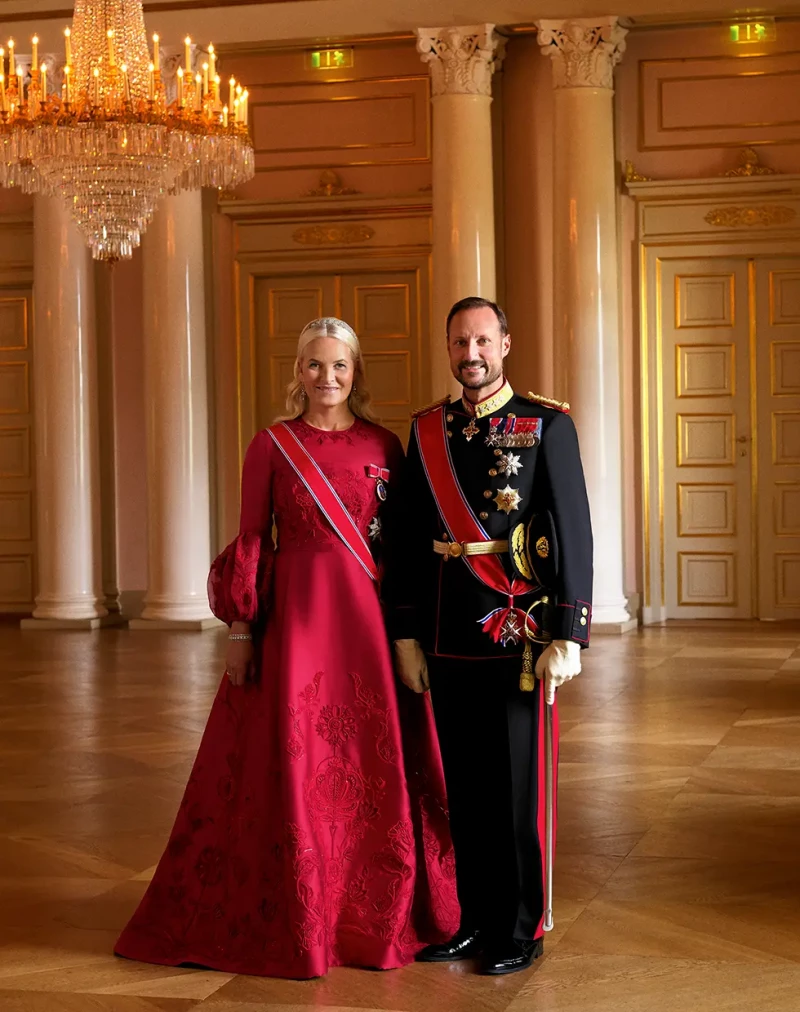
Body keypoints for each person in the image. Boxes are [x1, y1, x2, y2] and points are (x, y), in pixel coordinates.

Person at [115, 317, 459, 980]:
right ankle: (302, 915)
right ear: (297, 371)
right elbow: (252, 540)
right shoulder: (270, 445)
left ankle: (369, 916)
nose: (326, 378)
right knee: (299, 762)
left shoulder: (386, 447)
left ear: (356, 374)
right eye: (314, 365)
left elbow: (405, 550)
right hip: (296, 628)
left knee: (367, 762)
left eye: (339, 367)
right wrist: (240, 632)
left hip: (367, 626)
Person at [385, 296, 593, 976]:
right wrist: (407, 634)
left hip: (518, 634)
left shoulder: (546, 424)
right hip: (447, 636)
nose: (469, 355)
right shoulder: (427, 431)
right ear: (448, 349)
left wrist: (571, 631)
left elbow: (576, 531)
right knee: (465, 789)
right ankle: (474, 920)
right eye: (458, 343)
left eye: (481, 341)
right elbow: (411, 543)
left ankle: (521, 926)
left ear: (504, 343)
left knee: (515, 792)